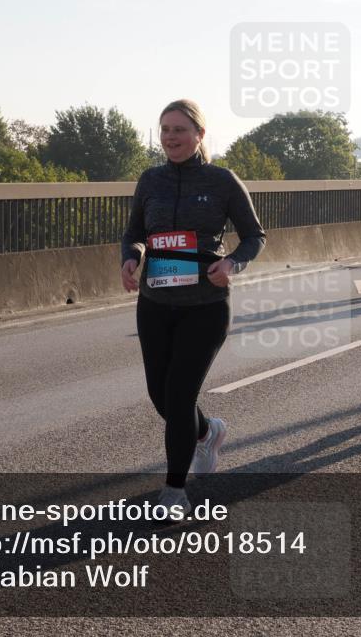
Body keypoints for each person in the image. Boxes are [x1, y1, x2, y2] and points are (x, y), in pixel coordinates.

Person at [121, 99, 266, 515]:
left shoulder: (222, 181)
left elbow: (255, 235)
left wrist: (232, 263)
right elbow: (134, 231)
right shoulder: (150, 181)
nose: (171, 137)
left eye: (180, 130)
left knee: (180, 396)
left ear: (199, 134)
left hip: (204, 306)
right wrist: (130, 257)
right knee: (160, 396)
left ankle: (173, 491)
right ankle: (208, 433)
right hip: (155, 303)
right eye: (165, 129)